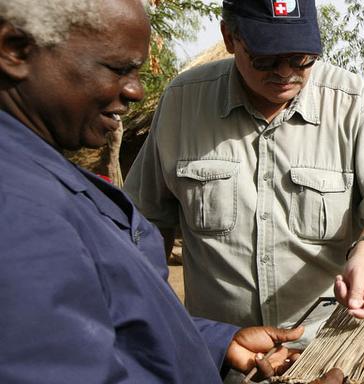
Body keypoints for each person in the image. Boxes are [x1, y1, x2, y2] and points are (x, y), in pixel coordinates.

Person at [0, 0, 344, 382]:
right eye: (118, 69)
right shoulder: (16, 208)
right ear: (15, 50)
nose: (135, 91)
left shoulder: (43, 175)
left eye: (300, 59)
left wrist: (217, 343)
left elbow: (110, 321)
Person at [122, 0, 364, 375]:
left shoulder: (348, 100)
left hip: (330, 353)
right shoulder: (183, 102)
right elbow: (148, 218)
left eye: (301, 59)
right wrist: (157, 316)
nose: (285, 73)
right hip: (224, 353)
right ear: (230, 38)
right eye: (266, 58)